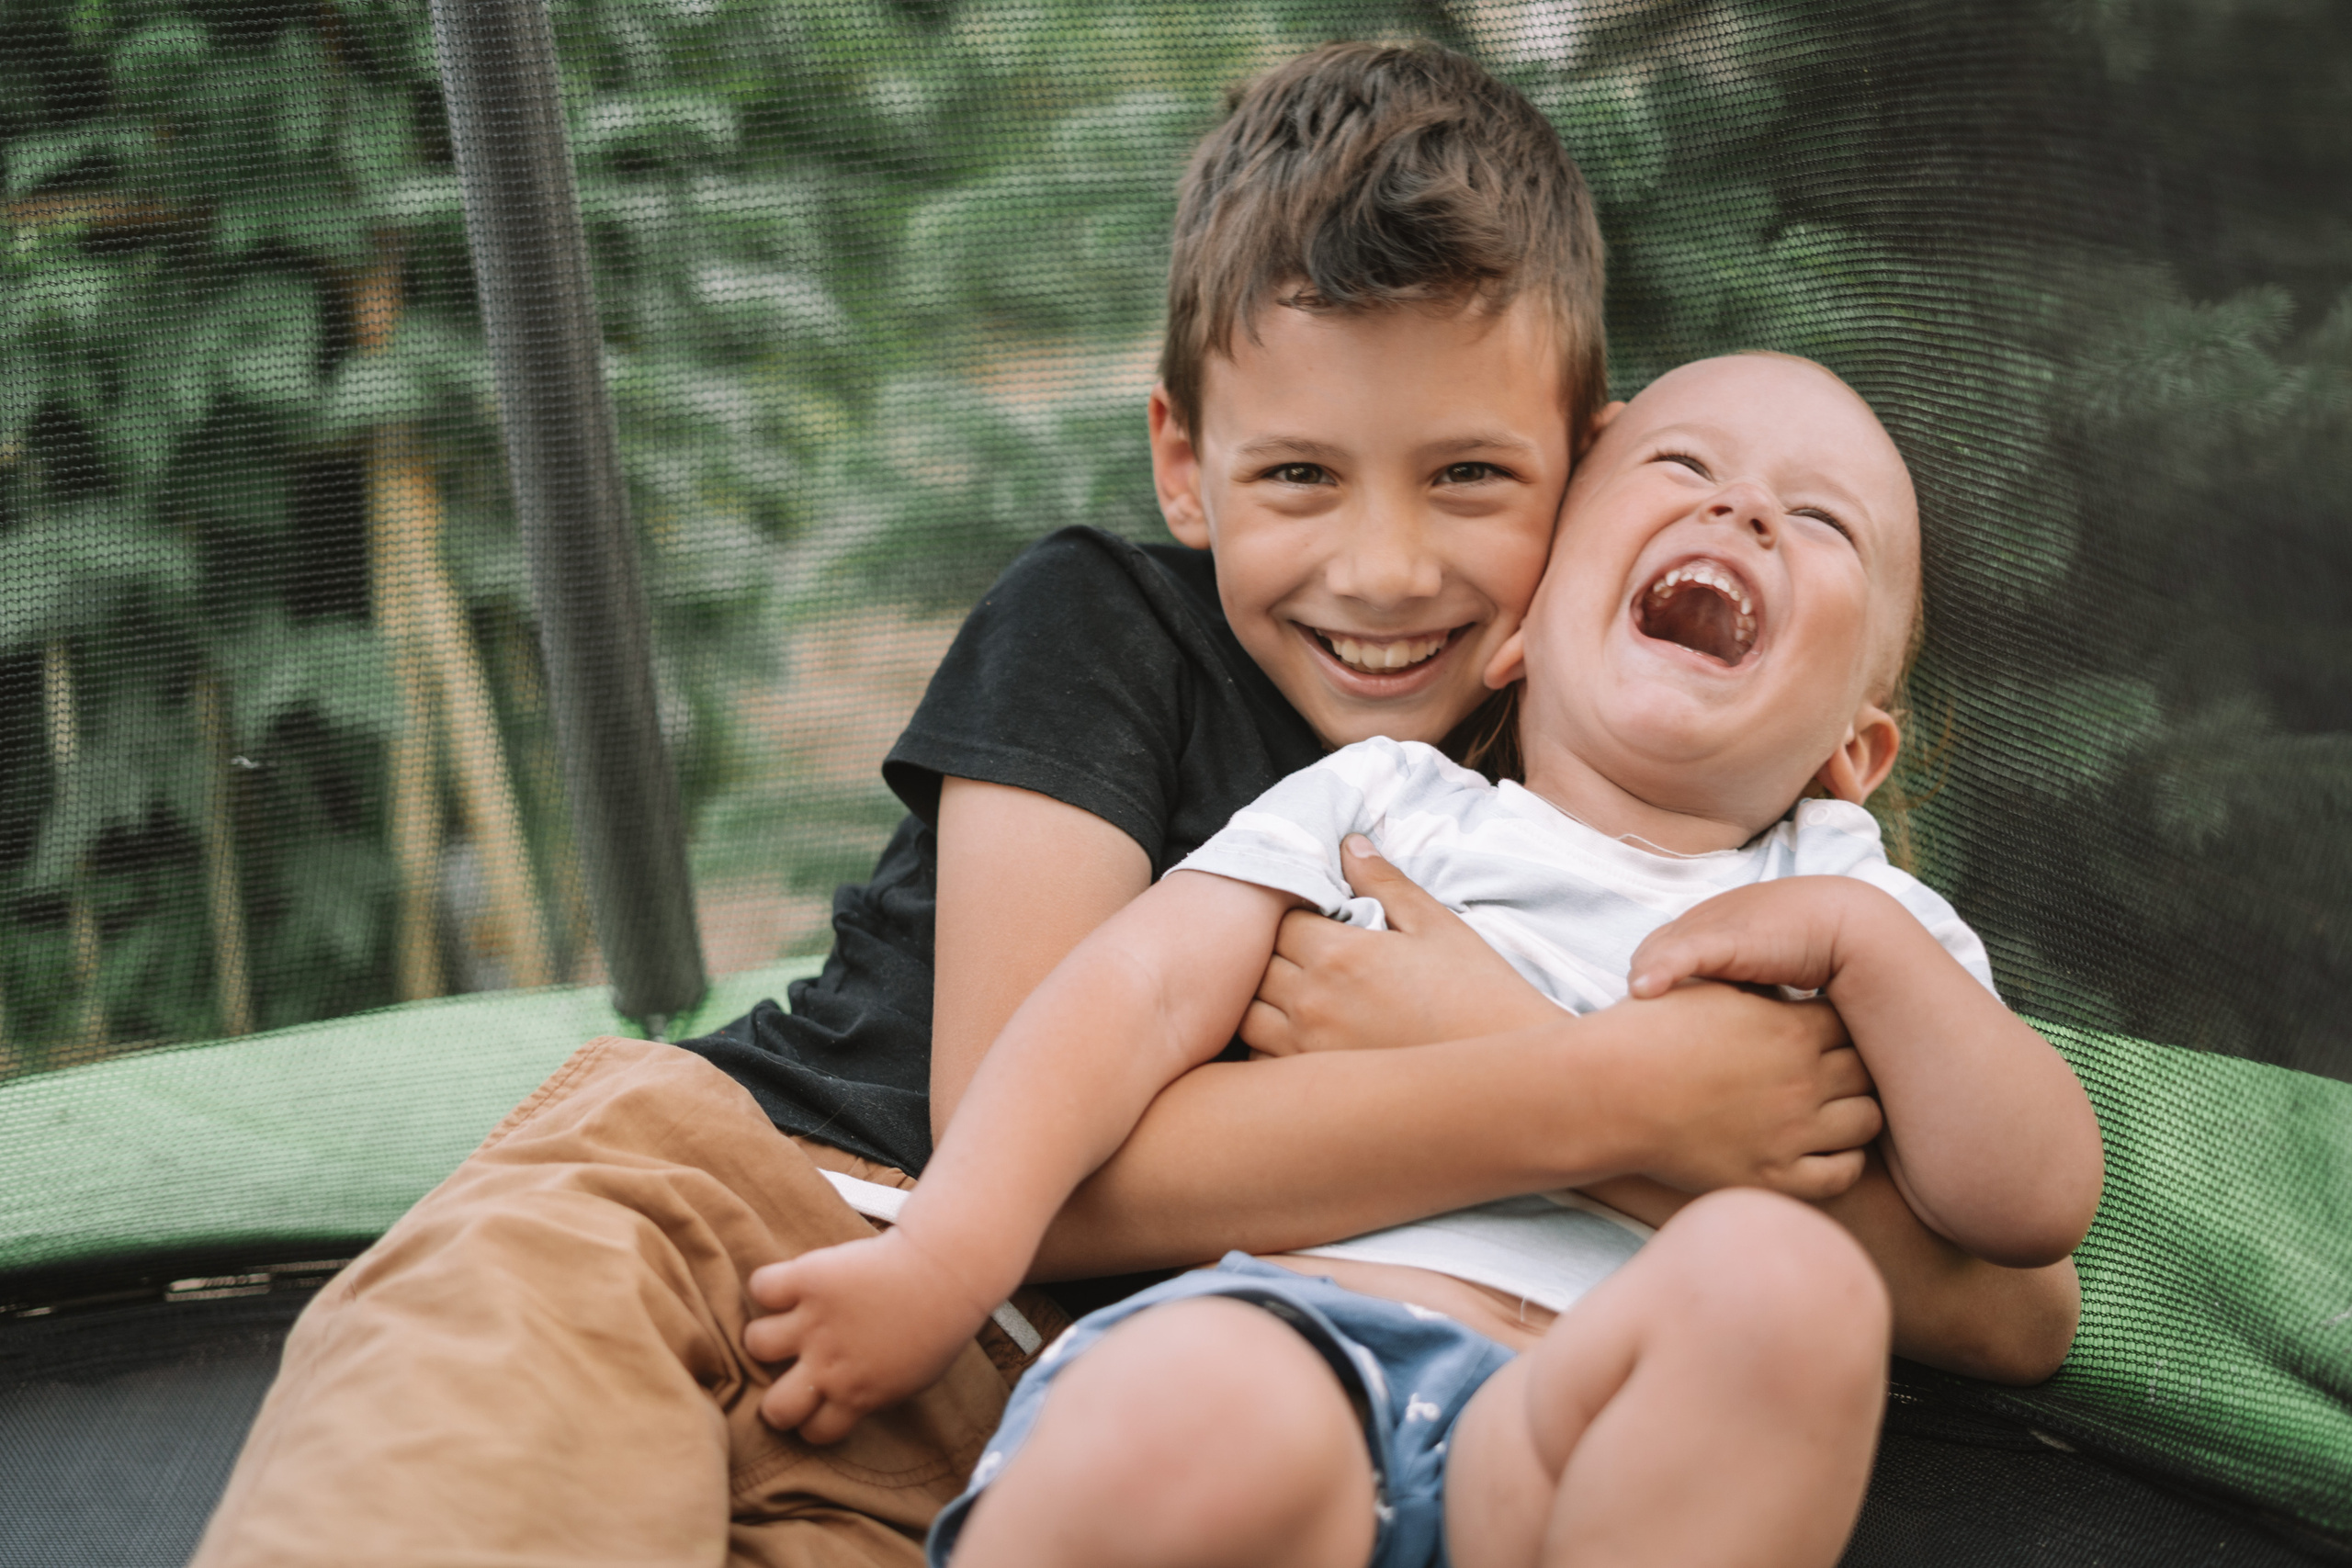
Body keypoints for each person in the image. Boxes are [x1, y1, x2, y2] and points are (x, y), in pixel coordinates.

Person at [191, 46, 2052, 1568]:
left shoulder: (1618, 785)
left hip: (1079, 1416)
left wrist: (1594, 1098)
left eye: (1470, 475)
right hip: (781, 1212)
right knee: (473, 1425)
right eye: (1302, 473)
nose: (1387, 569)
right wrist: (1610, 1091)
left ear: (1580, 466)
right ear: (1186, 462)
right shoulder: (1106, 624)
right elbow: (1025, 1144)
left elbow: (2001, 1310)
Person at [744, 353, 2107, 1568]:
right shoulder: (1385, 803)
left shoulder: (1852, 905)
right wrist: (942, 1264)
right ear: (1520, 634)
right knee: (1190, 1416)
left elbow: (2031, 1210)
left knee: (1786, 1287)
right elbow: (1134, 993)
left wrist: (1869, 946)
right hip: (1306, 1342)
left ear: (1853, 754)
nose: (1744, 511)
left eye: (1821, 523)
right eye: (1685, 469)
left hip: (1580, 1440)